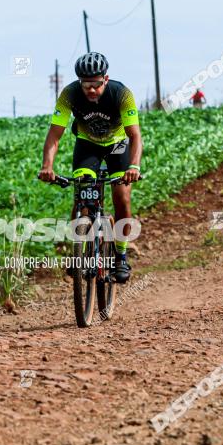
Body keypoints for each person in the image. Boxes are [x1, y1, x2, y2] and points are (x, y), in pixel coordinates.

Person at [38, 52, 142, 283]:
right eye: (86, 85)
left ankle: (121, 255)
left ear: (105, 79)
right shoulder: (69, 94)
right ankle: (78, 251)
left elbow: (135, 136)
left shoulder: (121, 94)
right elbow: (54, 135)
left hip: (117, 146)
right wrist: (47, 166)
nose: (91, 90)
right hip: (88, 145)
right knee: (81, 196)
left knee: (122, 198)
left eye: (96, 84)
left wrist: (133, 165)